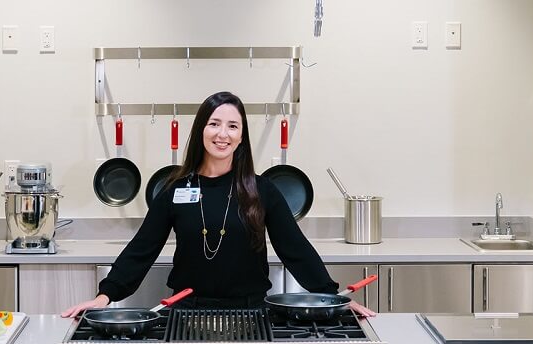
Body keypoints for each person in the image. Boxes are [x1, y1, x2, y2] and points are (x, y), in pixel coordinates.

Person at [61, 91, 376, 318]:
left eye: (233, 126)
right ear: (201, 129)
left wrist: (333, 297)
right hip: (186, 312)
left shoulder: (262, 190)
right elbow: (141, 249)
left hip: (251, 313)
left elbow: (296, 250)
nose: (222, 134)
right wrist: (105, 296)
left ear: (241, 137)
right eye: (214, 123)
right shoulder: (175, 190)